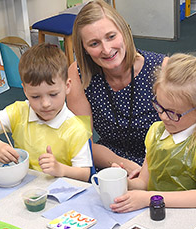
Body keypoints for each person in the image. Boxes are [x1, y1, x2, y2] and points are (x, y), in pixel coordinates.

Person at [110, 53, 196, 219]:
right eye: (159, 107)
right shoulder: (155, 132)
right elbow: (143, 183)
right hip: (159, 215)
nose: (164, 117)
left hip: (193, 221)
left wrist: (149, 199)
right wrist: (125, 182)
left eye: (174, 113)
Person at [67, 0, 168, 177]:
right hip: (109, 163)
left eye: (111, 36)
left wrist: (142, 172)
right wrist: (125, 165)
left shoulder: (162, 69)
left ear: (125, 32)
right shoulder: (78, 74)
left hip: (161, 163)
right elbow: (83, 143)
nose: (106, 49)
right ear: (84, 49)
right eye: (94, 44)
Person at [0, 43, 93, 182]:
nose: (45, 104)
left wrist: (60, 169)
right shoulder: (19, 111)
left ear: (67, 86)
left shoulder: (76, 128)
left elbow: (85, 174)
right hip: (23, 187)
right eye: (35, 97)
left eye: (53, 94)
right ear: (25, 90)